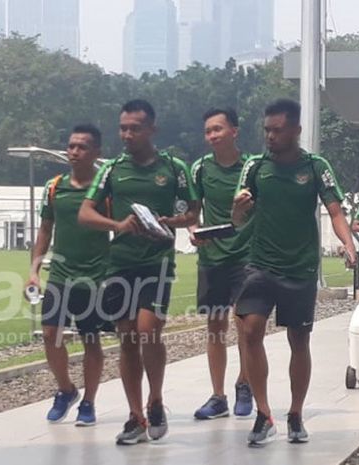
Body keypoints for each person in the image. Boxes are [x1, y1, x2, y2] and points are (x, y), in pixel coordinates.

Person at [231, 99, 357, 446]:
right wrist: (238, 210)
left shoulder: (316, 167)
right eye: (267, 130)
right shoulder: (255, 167)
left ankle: (296, 413)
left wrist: (348, 244)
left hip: (299, 267)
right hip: (260, 264)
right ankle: (263, 413)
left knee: (299, 341)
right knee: (250, 330)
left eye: (277, 130)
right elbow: (237, 217)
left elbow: (335, 210)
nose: (270, 136)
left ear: (296, 131)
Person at [79, 99, 200, 445]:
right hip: (120, 264)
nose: (127, 134)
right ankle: (136, 416)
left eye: (135, 128)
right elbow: (85, 213)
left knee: (149, 331)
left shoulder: (173, 168)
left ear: (152, 130)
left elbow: (193, 211)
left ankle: (156, 398)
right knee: (127, 338)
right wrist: (118, 224)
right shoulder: (112, 169)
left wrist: (171, 222)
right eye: (123, 128)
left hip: (157, 262)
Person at [26, 124, 113, 426]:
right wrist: (34, 271)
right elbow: (45, 230)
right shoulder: (54, 187)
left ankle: (88, 402)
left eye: (82, 147)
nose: (74, 152)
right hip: (61, 275)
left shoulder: (104, 189)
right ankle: (66, 389)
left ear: (96, 152)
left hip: (94, 277)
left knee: (91, 340)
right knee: (50, 335)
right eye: (71, 146)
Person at [189, 108, 253, 420]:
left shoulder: (251, 167)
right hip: (212, 257)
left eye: (218, 129)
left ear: (234, 131)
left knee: (245, 325)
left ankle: (245, 383)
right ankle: (218, 396)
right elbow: (192, 211)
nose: (212, 135)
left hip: (246, 257)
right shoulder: (200, 168)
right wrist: (192, 229)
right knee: (215, 328)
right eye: (208, 131)